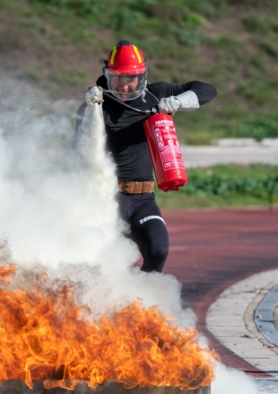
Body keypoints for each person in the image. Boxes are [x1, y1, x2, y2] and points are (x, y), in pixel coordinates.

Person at [75, 40, 217, 272]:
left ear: (142, 76)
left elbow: (207, 90)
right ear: (107, 75)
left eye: (130, 78)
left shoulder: (156, 94)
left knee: (158, 248)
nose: (123, 86)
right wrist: (92, 114)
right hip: (106, 198)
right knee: (110, 264)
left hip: (143, 199)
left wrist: (179, 101)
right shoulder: (95, 106)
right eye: (117, 78)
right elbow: (79, 152)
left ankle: (147, 290)